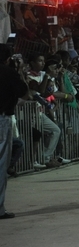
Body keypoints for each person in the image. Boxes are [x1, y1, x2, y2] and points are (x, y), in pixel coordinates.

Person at [1, 44, 29, 219]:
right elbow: (23, 91)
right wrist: (18, 72)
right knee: (1, 163)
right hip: (2, 118)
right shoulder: (8, 72)